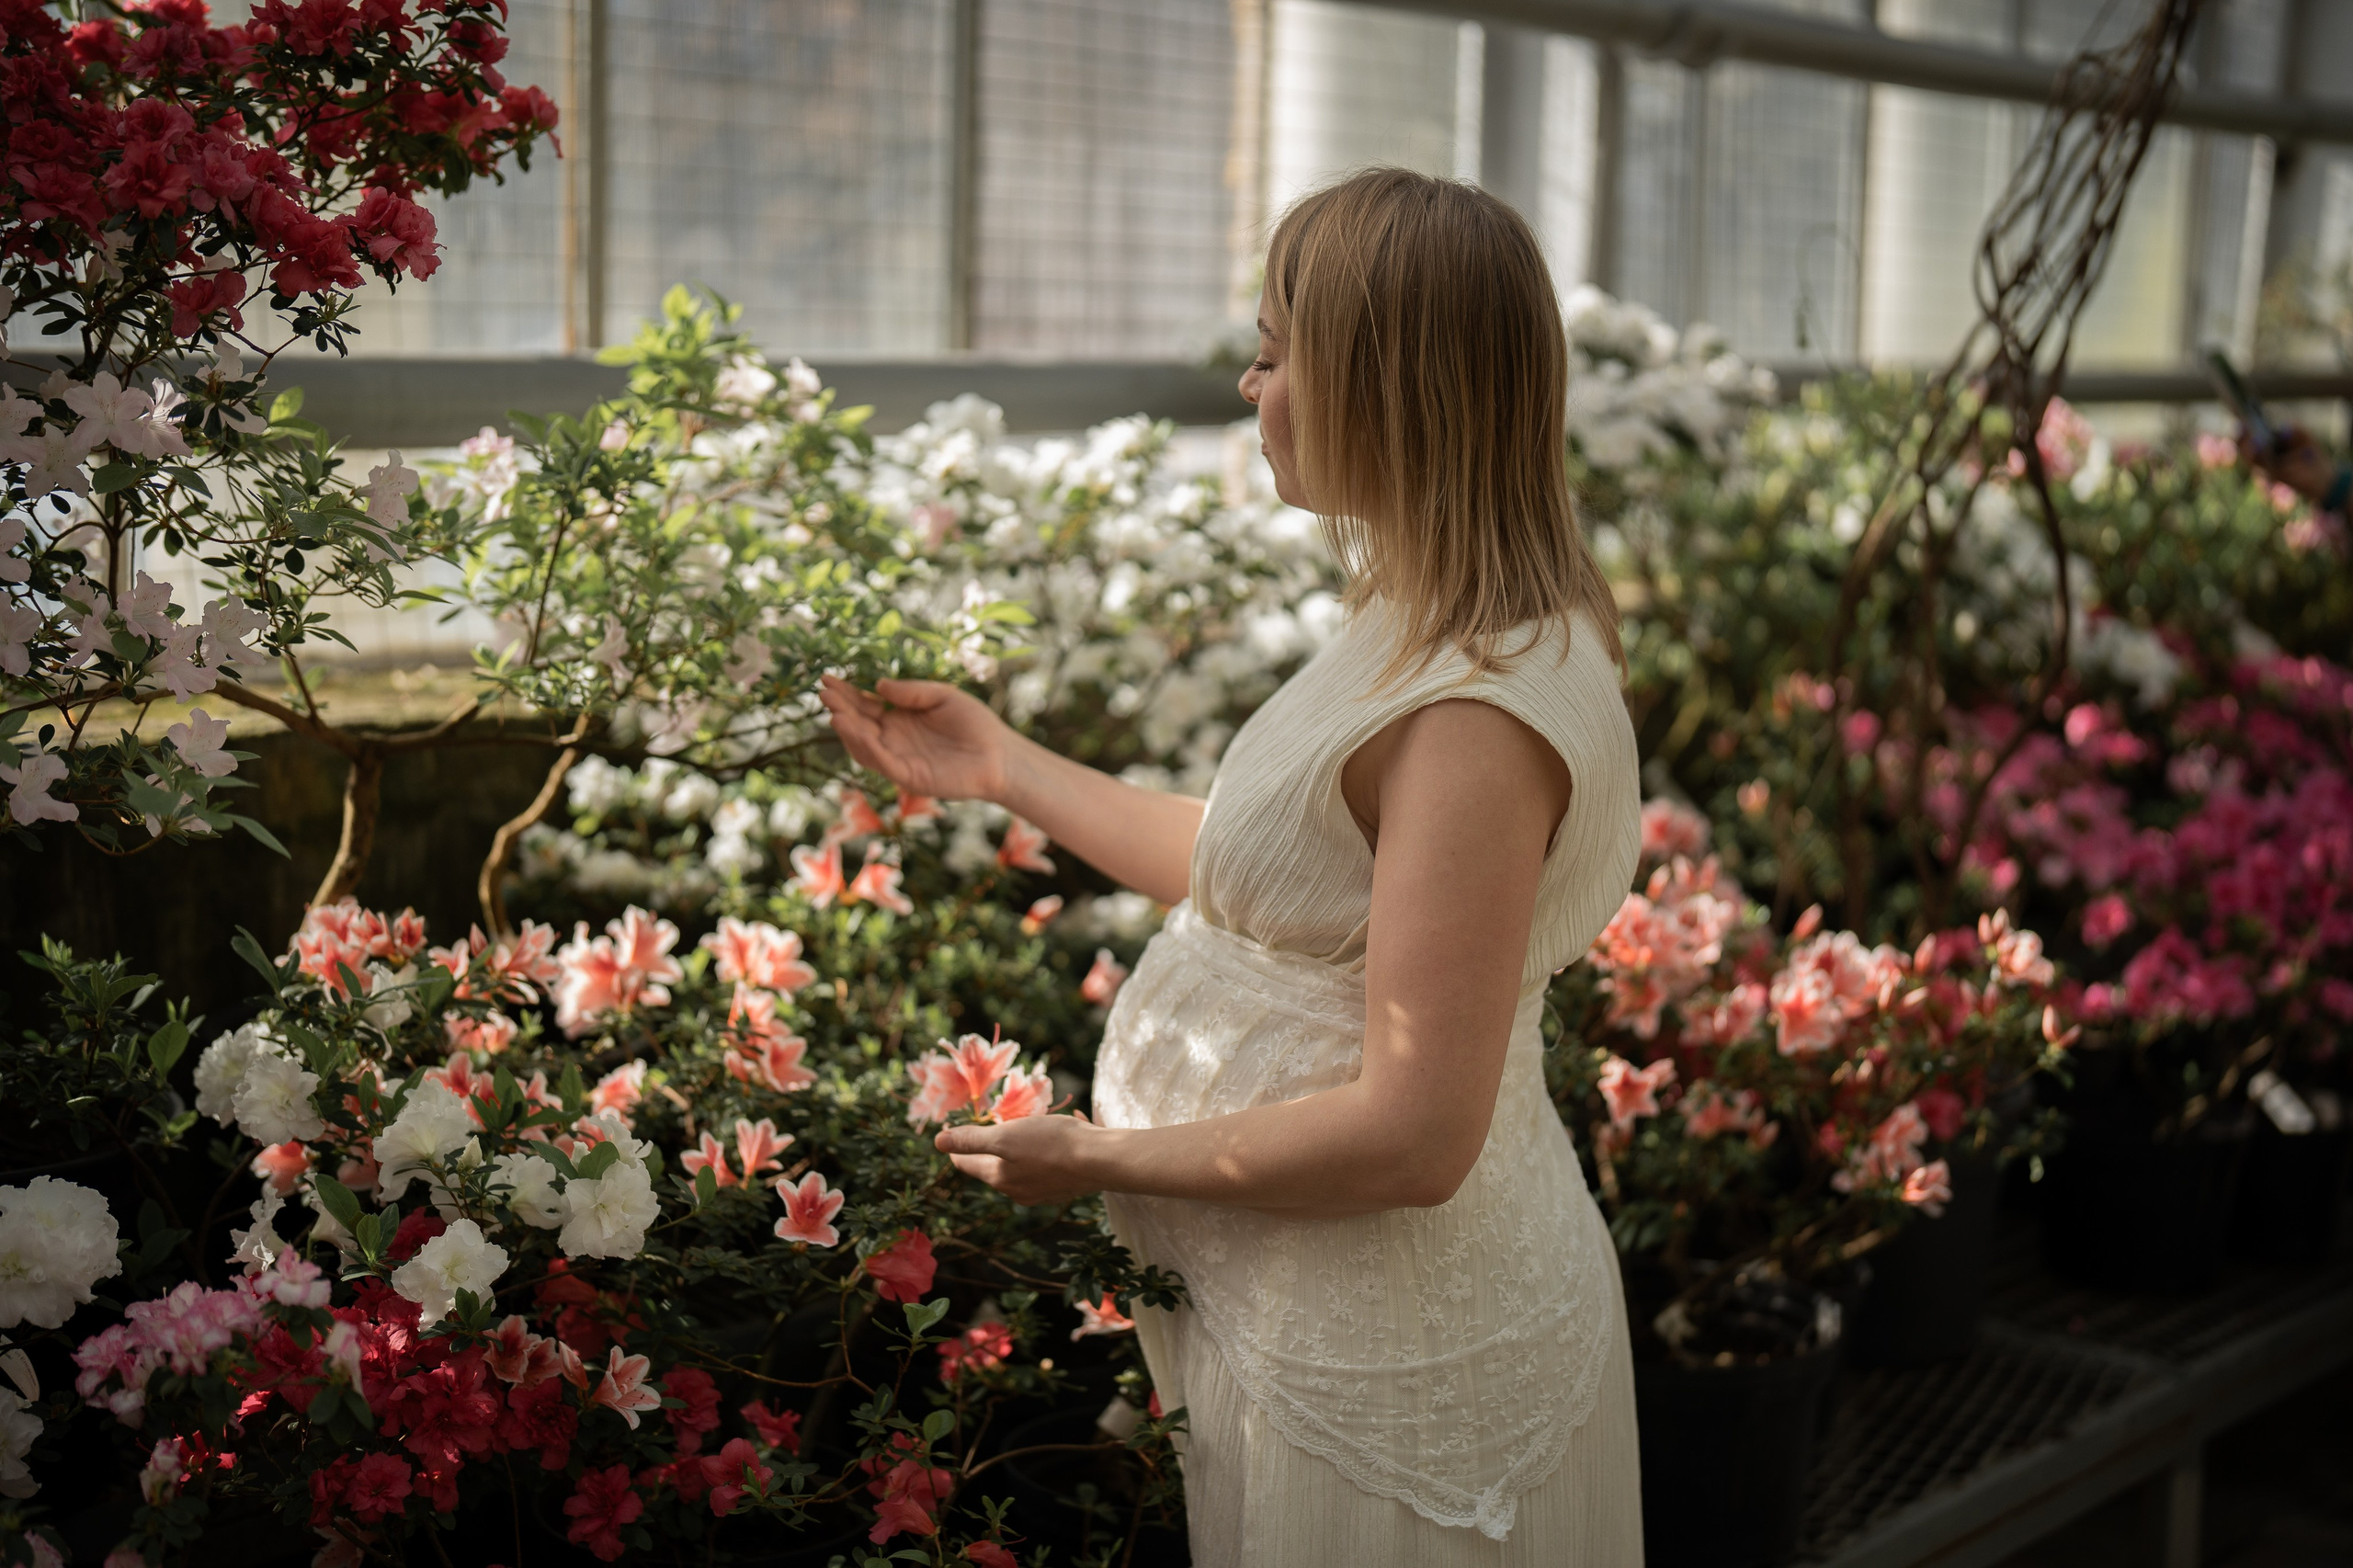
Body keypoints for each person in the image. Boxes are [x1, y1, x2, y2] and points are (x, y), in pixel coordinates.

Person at [819, 166, 1644, 1567]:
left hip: (1402, 1379)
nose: (1252, 388)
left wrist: (1103, 1159)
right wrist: (1003, 763)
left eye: (1274, 351)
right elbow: (1272, 878)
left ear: (1384, 385)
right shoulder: (1433, 614)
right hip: (1345, 1327)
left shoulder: (1472, 714)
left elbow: (1414, 1133)